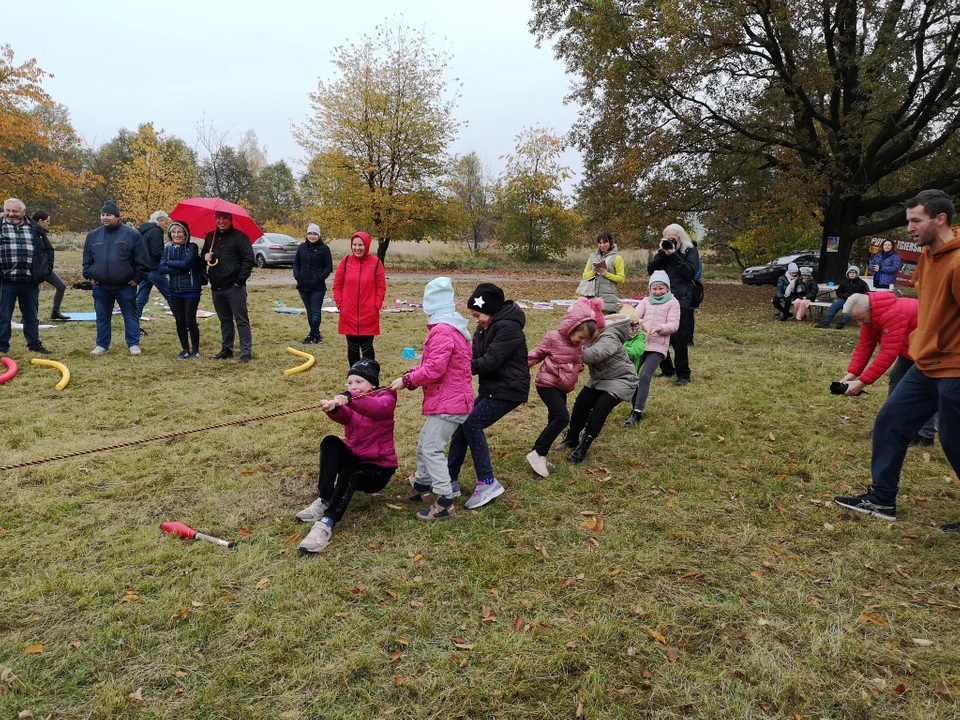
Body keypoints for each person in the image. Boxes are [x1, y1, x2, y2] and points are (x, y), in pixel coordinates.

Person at [834, 189, 960, 530]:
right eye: (908, 221)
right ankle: (881, 499)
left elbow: (888, 349)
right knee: (890, 421)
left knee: (954, 439)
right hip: (925, 363)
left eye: (915, 221)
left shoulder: (958, 262)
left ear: (940, 219)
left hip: (955, 367)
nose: (909, 228)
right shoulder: (926, 258)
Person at [390, 277, 474, 521]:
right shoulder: (453, 329)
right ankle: (422, 487)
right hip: (450, 398)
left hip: (450, 402)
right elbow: (434, 365)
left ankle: (445, 501)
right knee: (424, 442)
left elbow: (435, 369)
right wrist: (411, 374)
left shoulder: (442, 331)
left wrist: (408, 382)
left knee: (432, 448)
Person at [296, 359, 398, 553]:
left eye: (359, 382)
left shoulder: (386, 397)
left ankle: (327, 523)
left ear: (373, 384)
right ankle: (324, 498)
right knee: (330, 442)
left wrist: (349, 396)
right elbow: (346, 416)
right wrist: (333, 409)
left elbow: (375, 408)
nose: (354, 386)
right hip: (355, 459)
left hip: (378, 471)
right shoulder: (354, 401)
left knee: (354, 471)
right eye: (350, 383)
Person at [447, 283, 530, 509]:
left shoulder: (508, 328)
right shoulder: (484, 328)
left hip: (510, 389)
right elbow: (471, 354)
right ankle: (449, 480)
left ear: (491, 309)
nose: (476, 320)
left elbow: (490, 362)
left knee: (472, 422)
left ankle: (487, 482)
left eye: (478, 314)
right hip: (493, 388)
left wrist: (456, 368)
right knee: (462, 423)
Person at [526, 298, 604, 477]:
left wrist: (578, 367)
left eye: (585, 339)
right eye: (580, 336)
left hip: (562, 386)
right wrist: (519, 367)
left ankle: (536, 451)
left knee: (555, 418)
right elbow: (537, 354)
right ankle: (539, 452)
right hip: (547, 384)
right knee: (562, 418)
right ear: (571, 327)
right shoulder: (553, 337)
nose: (581, 341)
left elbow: (577, 360)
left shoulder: (579, 344)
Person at [557, 311, 639, 463]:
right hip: (598, 379)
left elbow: (594, 354)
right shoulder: (588, 333)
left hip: (622, 379)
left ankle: (583, 446)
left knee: (600, 408)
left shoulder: (610, 336)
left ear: (599, 329)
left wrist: (567, 351)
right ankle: (572, 438)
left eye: (587, 335)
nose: (584, 339)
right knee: (581, 404)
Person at [82, 200, 150, 355]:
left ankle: (133, 344)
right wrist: (90, 276)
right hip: (100, 286)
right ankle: (102, 344)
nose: (105, 217)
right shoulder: (93, 235)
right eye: (103, 215)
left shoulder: (132, 235)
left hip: (125, 286)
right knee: (102, 316)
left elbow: (142, 260)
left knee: (130, 315)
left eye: (109, 215)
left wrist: (137, 279)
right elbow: (87, 260)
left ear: (118, 217)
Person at [624, 271, 681, 427]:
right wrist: (643, 323)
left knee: (645, 376)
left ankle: (637, 412)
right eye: (654, 289)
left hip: (658, 345)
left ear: (667, 288)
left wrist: (659, 328)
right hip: (640, 343)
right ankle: (634, 406)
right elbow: (634, 316)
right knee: (631, 374)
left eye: (661, 289)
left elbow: (674, 324)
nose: (657, 292)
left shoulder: (673, 303)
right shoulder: (646, 301)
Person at [0, 198, 54, 356]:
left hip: (30, 281)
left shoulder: (35, 228)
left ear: (23, 212)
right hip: (6, 280)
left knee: (31, 315)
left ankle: (34, 344)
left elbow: (48, 251)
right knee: (3, 315)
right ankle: (2, 346)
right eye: (8, 210)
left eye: (15, 211)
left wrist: (45, 272)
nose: (11, 214)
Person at [647, 223, 699, 385]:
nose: (670, 241)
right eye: (667, 238)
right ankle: (667, 369)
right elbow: (650, 270)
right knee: (657, 333)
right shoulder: (663, 252)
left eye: (673, 238)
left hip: (681, 298)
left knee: (678, 337)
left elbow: (690, 273)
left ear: (680, 238)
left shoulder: (689, 251)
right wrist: (662, 254)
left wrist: (674, 254)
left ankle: (683, 374)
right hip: (660, 297)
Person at [202, 211, 254, 362]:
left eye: (225, 218)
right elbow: (203, 258)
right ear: (215, 219)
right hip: (217, 286)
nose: (222, 221)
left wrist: (239, 280)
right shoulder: (210, 237)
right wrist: (205, 256)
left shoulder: (240, 237)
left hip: (234, 287)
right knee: (224, 320)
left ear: (231, 220)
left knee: (241, 320)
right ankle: (227, 350)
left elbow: (248, 259)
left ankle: (245, 352)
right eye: (219, 218)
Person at [333, 232, 386, 366]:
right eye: (354, 245)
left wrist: (376, 305)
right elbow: (337, 285)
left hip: (369, 314)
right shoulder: (345, 262)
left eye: (360, 245)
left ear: (366, 245)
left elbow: (381, 287)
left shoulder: (376, 263)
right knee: (352, 349)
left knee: (367, 349)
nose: (357, 248)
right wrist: (340, 304)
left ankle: (370, 379)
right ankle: (354, 379)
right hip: (348, 314)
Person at [158, 221, 203, 360]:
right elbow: (161, 268)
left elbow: (187, 264)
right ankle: (185, 349)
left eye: (179, 232)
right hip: (174, 290)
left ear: (185, 234)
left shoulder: (192, 247)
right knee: (179, 321)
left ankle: (195, 349)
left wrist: (173, 265)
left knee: (190, 320)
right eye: (174, 232)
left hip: (191, 289)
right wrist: (180, 267)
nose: (176, 234)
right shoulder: (167, 249)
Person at [293, 223, 332, 345]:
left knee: (316, 312)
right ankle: (316, 334)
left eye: (315, 234)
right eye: (310, 233)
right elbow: (296, 264)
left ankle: (311, 336)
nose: (312, 236)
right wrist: (297, 276)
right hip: (303, 285)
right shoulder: (302, 247)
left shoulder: (324, 249)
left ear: (319, 235)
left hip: (317, 287)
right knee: (309, 312)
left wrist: (318, 278)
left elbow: (328, 267)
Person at [135, 210, 172, 328]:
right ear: (159, 220)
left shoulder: (144, 231)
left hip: (145, 269)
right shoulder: (156, 231)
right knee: (171, 295)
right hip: (155, 269)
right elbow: (156, 252)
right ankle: (184, 321)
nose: (166, 225)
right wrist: (167, 256)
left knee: (141, 297)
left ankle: (133, 323)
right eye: (165, 222)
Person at [31, 210, 68, 321]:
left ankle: (55, 312)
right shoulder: (32, 233)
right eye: (47, 221)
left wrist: (48, 266)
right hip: (36, 269)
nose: (48, 224)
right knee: (33, 293)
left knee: (61, 286)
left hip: (46, 268)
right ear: (40, 221)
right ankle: (29, 317)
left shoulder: (41, 233)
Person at [581, 232, 625, 313]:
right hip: (592, 296)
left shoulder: (617, 258)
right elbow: (584, 276)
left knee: (606, 323)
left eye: (605, 242)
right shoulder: (592, 257)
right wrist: (593, 272)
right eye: (600, 243)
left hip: (608, 298)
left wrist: (606, 274)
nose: (602, 245)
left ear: (610, 242)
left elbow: (621, 279)